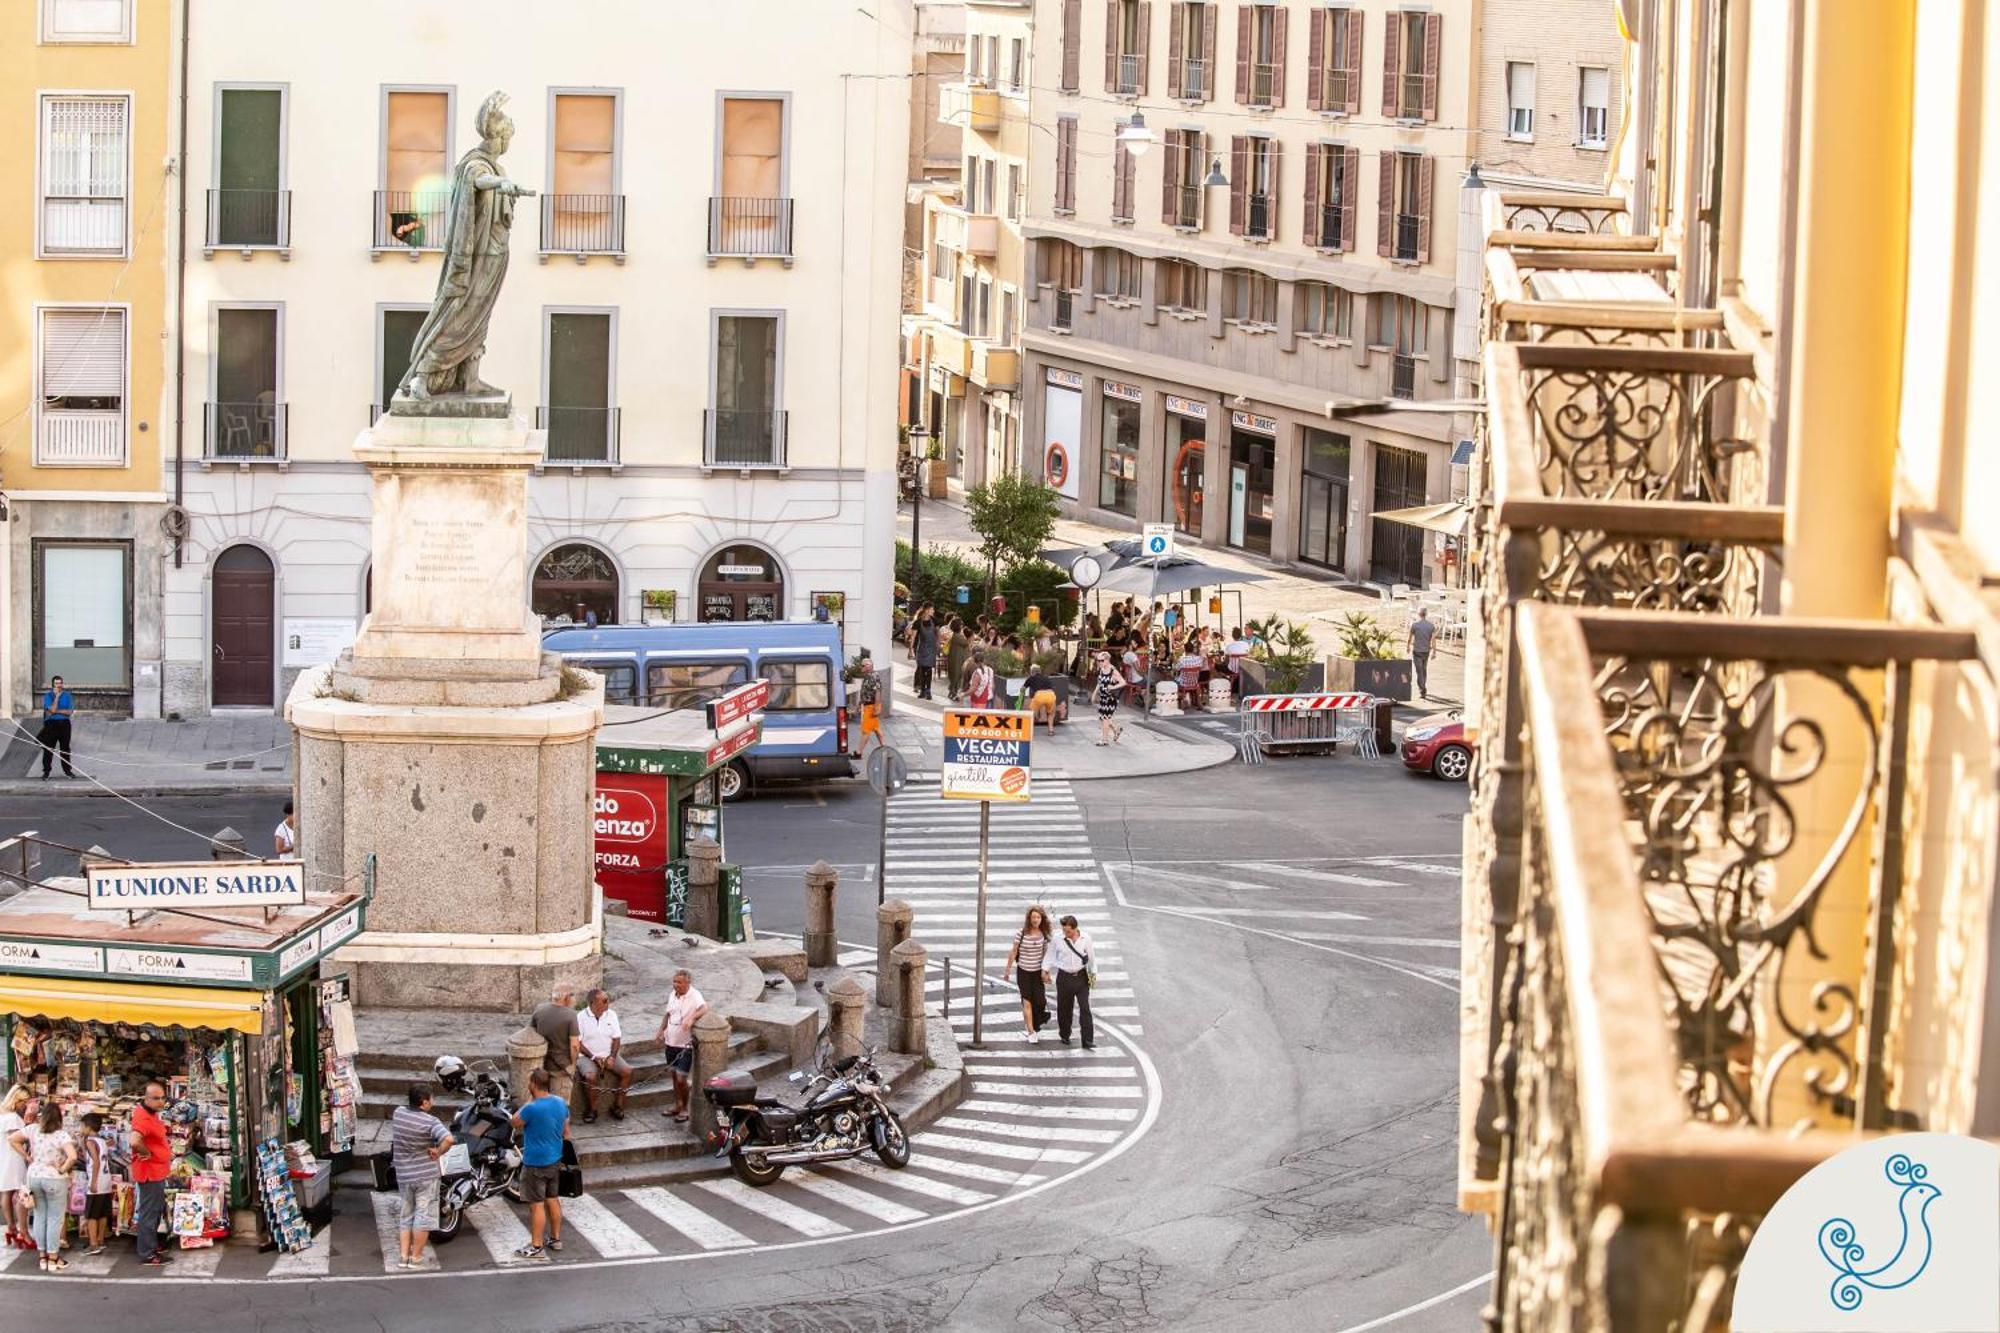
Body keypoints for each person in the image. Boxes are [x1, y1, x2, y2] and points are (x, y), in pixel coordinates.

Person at [391, 1082, 455, 1270]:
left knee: (406, 1214)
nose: (433, 1101)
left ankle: (403, 1256)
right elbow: (449, 1139)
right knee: (423, 1215)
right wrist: (438, 1151)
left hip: (404, 1174)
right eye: (431, 1099)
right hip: (426, 1175)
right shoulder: (430, 1122)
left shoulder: (398, 1113)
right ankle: (416, 1256)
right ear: (424, 1102)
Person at [508, 1069, 569, 1260]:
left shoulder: (532, 1108)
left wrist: (528, 1100)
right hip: (555, 1159)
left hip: (535, 1162)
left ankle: (536, 1245)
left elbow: (513, 1122)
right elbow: (566, 1131)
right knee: (553, 1199)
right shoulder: (560, 1103)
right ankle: (555, 1238)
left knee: (536, 1205)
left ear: (533, 1084)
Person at [13, 1102, 74, 1272]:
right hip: (54, 1178)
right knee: (55, 1218)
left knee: (39, 1216)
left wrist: (27, 1156)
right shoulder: (62, 1135)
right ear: (59, 1118)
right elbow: (73, 1156)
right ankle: (53, 1258)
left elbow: (13, 1139)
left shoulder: (33, 1129)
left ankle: (42, 1257)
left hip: (34, 1176)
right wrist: (62, 1169)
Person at [129, 1079, 173, 1266]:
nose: (161, 1102)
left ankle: (152, 1245)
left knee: (155, 1210)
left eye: (163, 1097)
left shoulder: (150, 1114)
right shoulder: (143, 1118)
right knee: (149, 1212)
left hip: (156, 1171)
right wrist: (146, 1153)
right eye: (156, 1098)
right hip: (150, 1172)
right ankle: (147, 1252)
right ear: (146, 1099)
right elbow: (134, 1140)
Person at [653, 970, 708, 1123]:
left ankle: (685, 1108)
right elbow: (668, 1014)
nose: (676, 985)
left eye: (679, 982)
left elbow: (704, 1008)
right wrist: (660, 1031)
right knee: (673, 1076)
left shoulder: (694, 995)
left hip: (685, 1045)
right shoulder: (672, 995)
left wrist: (691, 1018)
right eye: (674, 982)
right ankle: (677, 1104)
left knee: (681, 1078)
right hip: (671, 1042)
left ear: (687, 983)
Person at [575, 988, 632, 1123]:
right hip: (587, 1056)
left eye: (608, 1000)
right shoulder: (580, 1017)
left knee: (628, 1071)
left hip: (608, 1054)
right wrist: (594, 1057)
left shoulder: (611, 1015)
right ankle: (592, 1110)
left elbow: (617, 1038)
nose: (608, 1003)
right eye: (605, 1001)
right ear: (592, 1003)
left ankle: (618, 1106)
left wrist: (612, 1056)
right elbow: (578, 1043)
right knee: (590, 1077)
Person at [1003, 906, 1054, 1043]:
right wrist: (1007, 969)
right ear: (1029, 919)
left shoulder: (1043, 935)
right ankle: (1030, 1031)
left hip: (1037, 973)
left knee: (1040, 1001)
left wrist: (1046, 973)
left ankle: (1034, 1024)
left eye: (1038, 917)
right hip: (1023, 972)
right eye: (1033, 917)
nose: (1035, 920)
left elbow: (1045, 956)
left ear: (1041, 919)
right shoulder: (1022, 933)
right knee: (1027, 1002)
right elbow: (1014, 951)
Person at [529, 985, 581, 1110]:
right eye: (572, 995)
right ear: (566, 998)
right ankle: (562, 1129)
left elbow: (531, 1032)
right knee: (561, 1106)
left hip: (542, 1064)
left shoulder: (539, 1009)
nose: (574, 999)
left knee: (540, 1103)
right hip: (562, 1067)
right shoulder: (571, 1015)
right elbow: (574, 1045)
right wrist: (572, 1066)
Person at [1052, 915, 1096, 1049]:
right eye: (1064, 930)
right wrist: (1045, 970)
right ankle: (1065, 1034)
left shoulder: (1086, 939)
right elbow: (1050, 955)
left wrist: (1093, 976)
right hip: (1064, 977)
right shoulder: (1058, 938)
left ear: (1075, 929)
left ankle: (1087, 1040)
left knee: (1085, 1008)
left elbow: (1091, 958)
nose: (1066, 934)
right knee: (1064, 1008)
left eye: (1068, 931)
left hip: (1081, 977)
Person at [80, 1111, 115, 1256]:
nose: (81, 1128)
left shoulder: (90, 1141)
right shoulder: (101, 1141)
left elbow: (95, 1161)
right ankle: (100, 1240)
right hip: (106, 1180)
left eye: (82, 1126)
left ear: (88, 1127)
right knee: (102, 1212)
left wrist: (93, 1182)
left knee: (92, 1215)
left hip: (97, 1181)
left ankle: (93, 1244)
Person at [0, 1086, 28, 1251]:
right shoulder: (13, 1119)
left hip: (5, 1157)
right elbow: (17, 1139)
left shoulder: (3, 1116)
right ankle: (21, 1230)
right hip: (14, 1158)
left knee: (7, 1192)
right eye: (23, 1102)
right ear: (16, 1100)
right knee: (21, 1192)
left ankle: (11, 1228)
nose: (24, 1105)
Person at [37, 675, 74, 780]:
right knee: (49, 748)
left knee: (65, 748)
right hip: (52, 724)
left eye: (60, 683)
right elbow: (51, 710)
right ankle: (46, 772)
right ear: (53, 684)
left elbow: (69, 712)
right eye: (57, 683)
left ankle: (68, 771)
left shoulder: (67, 695)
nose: (59, 685)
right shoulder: (48, 696)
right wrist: (57, 697)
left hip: (65, 724)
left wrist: (56, 711)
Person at [1093, 652, 1125, 747]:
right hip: (1103, 697)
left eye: (1101, 660)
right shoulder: (1102, 669)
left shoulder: (1113, 671)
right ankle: (1116, 730)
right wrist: (1094, 693)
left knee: (1105, 718)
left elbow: (1123, 682)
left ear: (1107, 660)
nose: (1099, 662)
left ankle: (1104, 740)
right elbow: (1099, 682)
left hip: (1111, 698)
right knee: (1104, 718)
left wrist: (1112, 688)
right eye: (1098, 660)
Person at [855, 655, 883, 758]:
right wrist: (859, 705)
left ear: (868, 666)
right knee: (876, 729)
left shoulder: (874, 676)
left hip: (871, 707)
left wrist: (876, 707)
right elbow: (864, 692)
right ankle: (885, 748)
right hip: (868, 705)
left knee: (865, 731)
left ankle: (858, 752)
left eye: (862, 665)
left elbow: (878, 692)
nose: (861, 667)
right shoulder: (867, 676)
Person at [1408, 607, 1439, 700]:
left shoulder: (1415, 625)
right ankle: (1423, 688)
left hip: (1417, 651)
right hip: (1426, 651)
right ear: (1426, 614)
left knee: (1419, 672)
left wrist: (1408, 646)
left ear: (1419, 614)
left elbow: (1410, 637)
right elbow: (1433, 640)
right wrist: (1434, 652)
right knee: (1424, 670)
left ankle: (1422, 689)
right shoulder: (1431, 626)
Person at [912, 606, 939, 700]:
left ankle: (928, 691)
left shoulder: (935, 621)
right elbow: (913, 636)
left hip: (931, 648)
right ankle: (923, 690)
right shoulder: (918, 622)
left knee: (929, 669)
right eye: (932, 609)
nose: (933, 611)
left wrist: (938, 645)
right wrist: (910, 648)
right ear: (927, 610)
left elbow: (937, 633)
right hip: (922, 648)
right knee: (922, 670)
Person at [943, 615, 971, 700]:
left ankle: (952, 692)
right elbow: (967, 643)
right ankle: (953, 693)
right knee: (957, 676)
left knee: (955, 676)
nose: (962, 626)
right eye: (961, 624)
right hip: (957, 659)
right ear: (958, 626)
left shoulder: (955, 635)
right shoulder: (957, 636)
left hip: (956, 658)